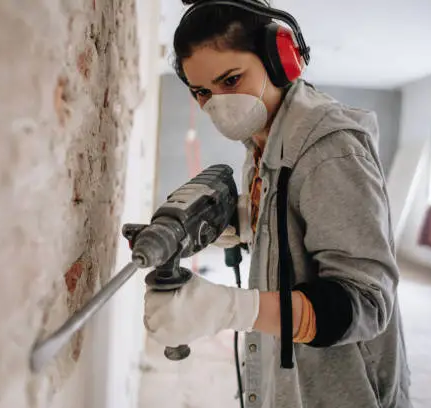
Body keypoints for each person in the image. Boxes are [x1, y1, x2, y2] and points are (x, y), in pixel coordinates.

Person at [143, 1, 412, 407]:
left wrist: (229, 309)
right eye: (202, 92)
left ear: (279, 60)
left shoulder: (330, 150)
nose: (218, 103)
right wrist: (247, 221)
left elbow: (367, 304)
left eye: (231, 80)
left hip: (342, 390)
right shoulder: (262, 137)